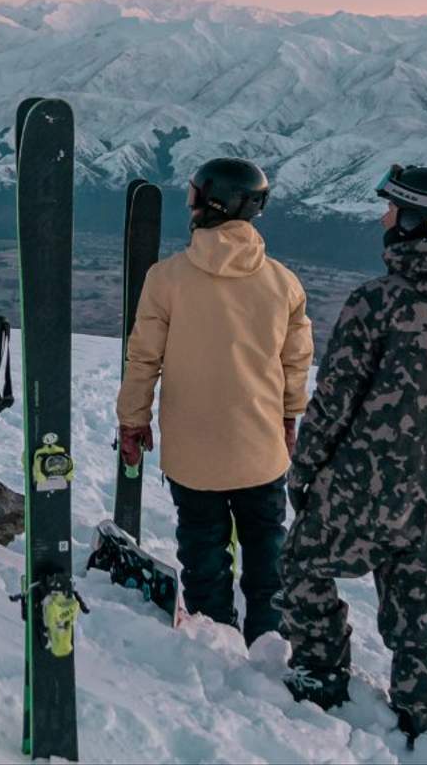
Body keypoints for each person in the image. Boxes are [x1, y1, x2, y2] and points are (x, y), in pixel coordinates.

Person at [280, 163, 427, 748]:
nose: (384, 218)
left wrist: (304, 476)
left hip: (363, 481)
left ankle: (321, 676)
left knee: (305, 565)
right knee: (416, 598)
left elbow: (332, 401)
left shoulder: (375, 303)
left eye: (391, 209)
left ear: (413, 221)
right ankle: (426, 716)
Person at [116, 157, 313, 645]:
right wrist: (289, 419)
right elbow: (296, 364)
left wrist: (132, 421)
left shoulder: (166, 279)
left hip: (193, 452)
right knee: (267, 551)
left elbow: (143, 360)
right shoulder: (283, 283)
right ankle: (271, 644)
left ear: (211, 203)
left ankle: (214, 642)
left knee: (203, 555)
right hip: (261, 449)